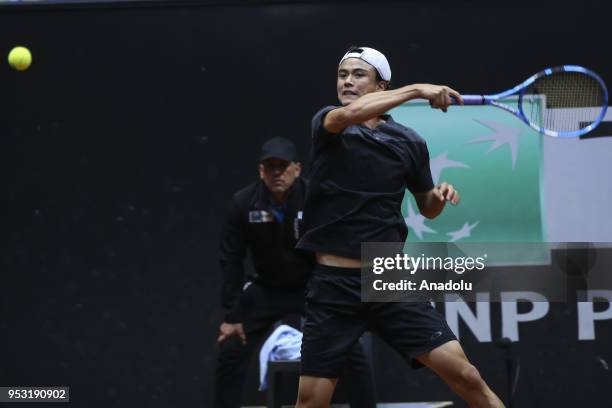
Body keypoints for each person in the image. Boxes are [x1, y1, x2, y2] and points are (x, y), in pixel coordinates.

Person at [295, 47, 505, 407]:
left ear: (381, 84)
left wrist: (438, 195)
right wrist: (418, 90)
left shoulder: (409, 142)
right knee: (311, 401)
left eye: (358, 74)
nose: (347, 80)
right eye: (342, 74)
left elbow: (428, 209)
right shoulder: (330, 123)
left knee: (467, 375)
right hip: (333, 287)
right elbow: (352, 114)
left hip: (386, 278)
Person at [214, 137, 376, 408]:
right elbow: (231, 259)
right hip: (267, 288)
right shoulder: (243, 204)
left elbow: (338, 247)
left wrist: (340, 296)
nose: (277, 173)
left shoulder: (317, 199)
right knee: (230, 348)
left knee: (350, 349)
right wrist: (232, 314)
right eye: (270, 167)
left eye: (283, 166)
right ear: (261, 171)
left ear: (297, 169)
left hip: (312, 286)